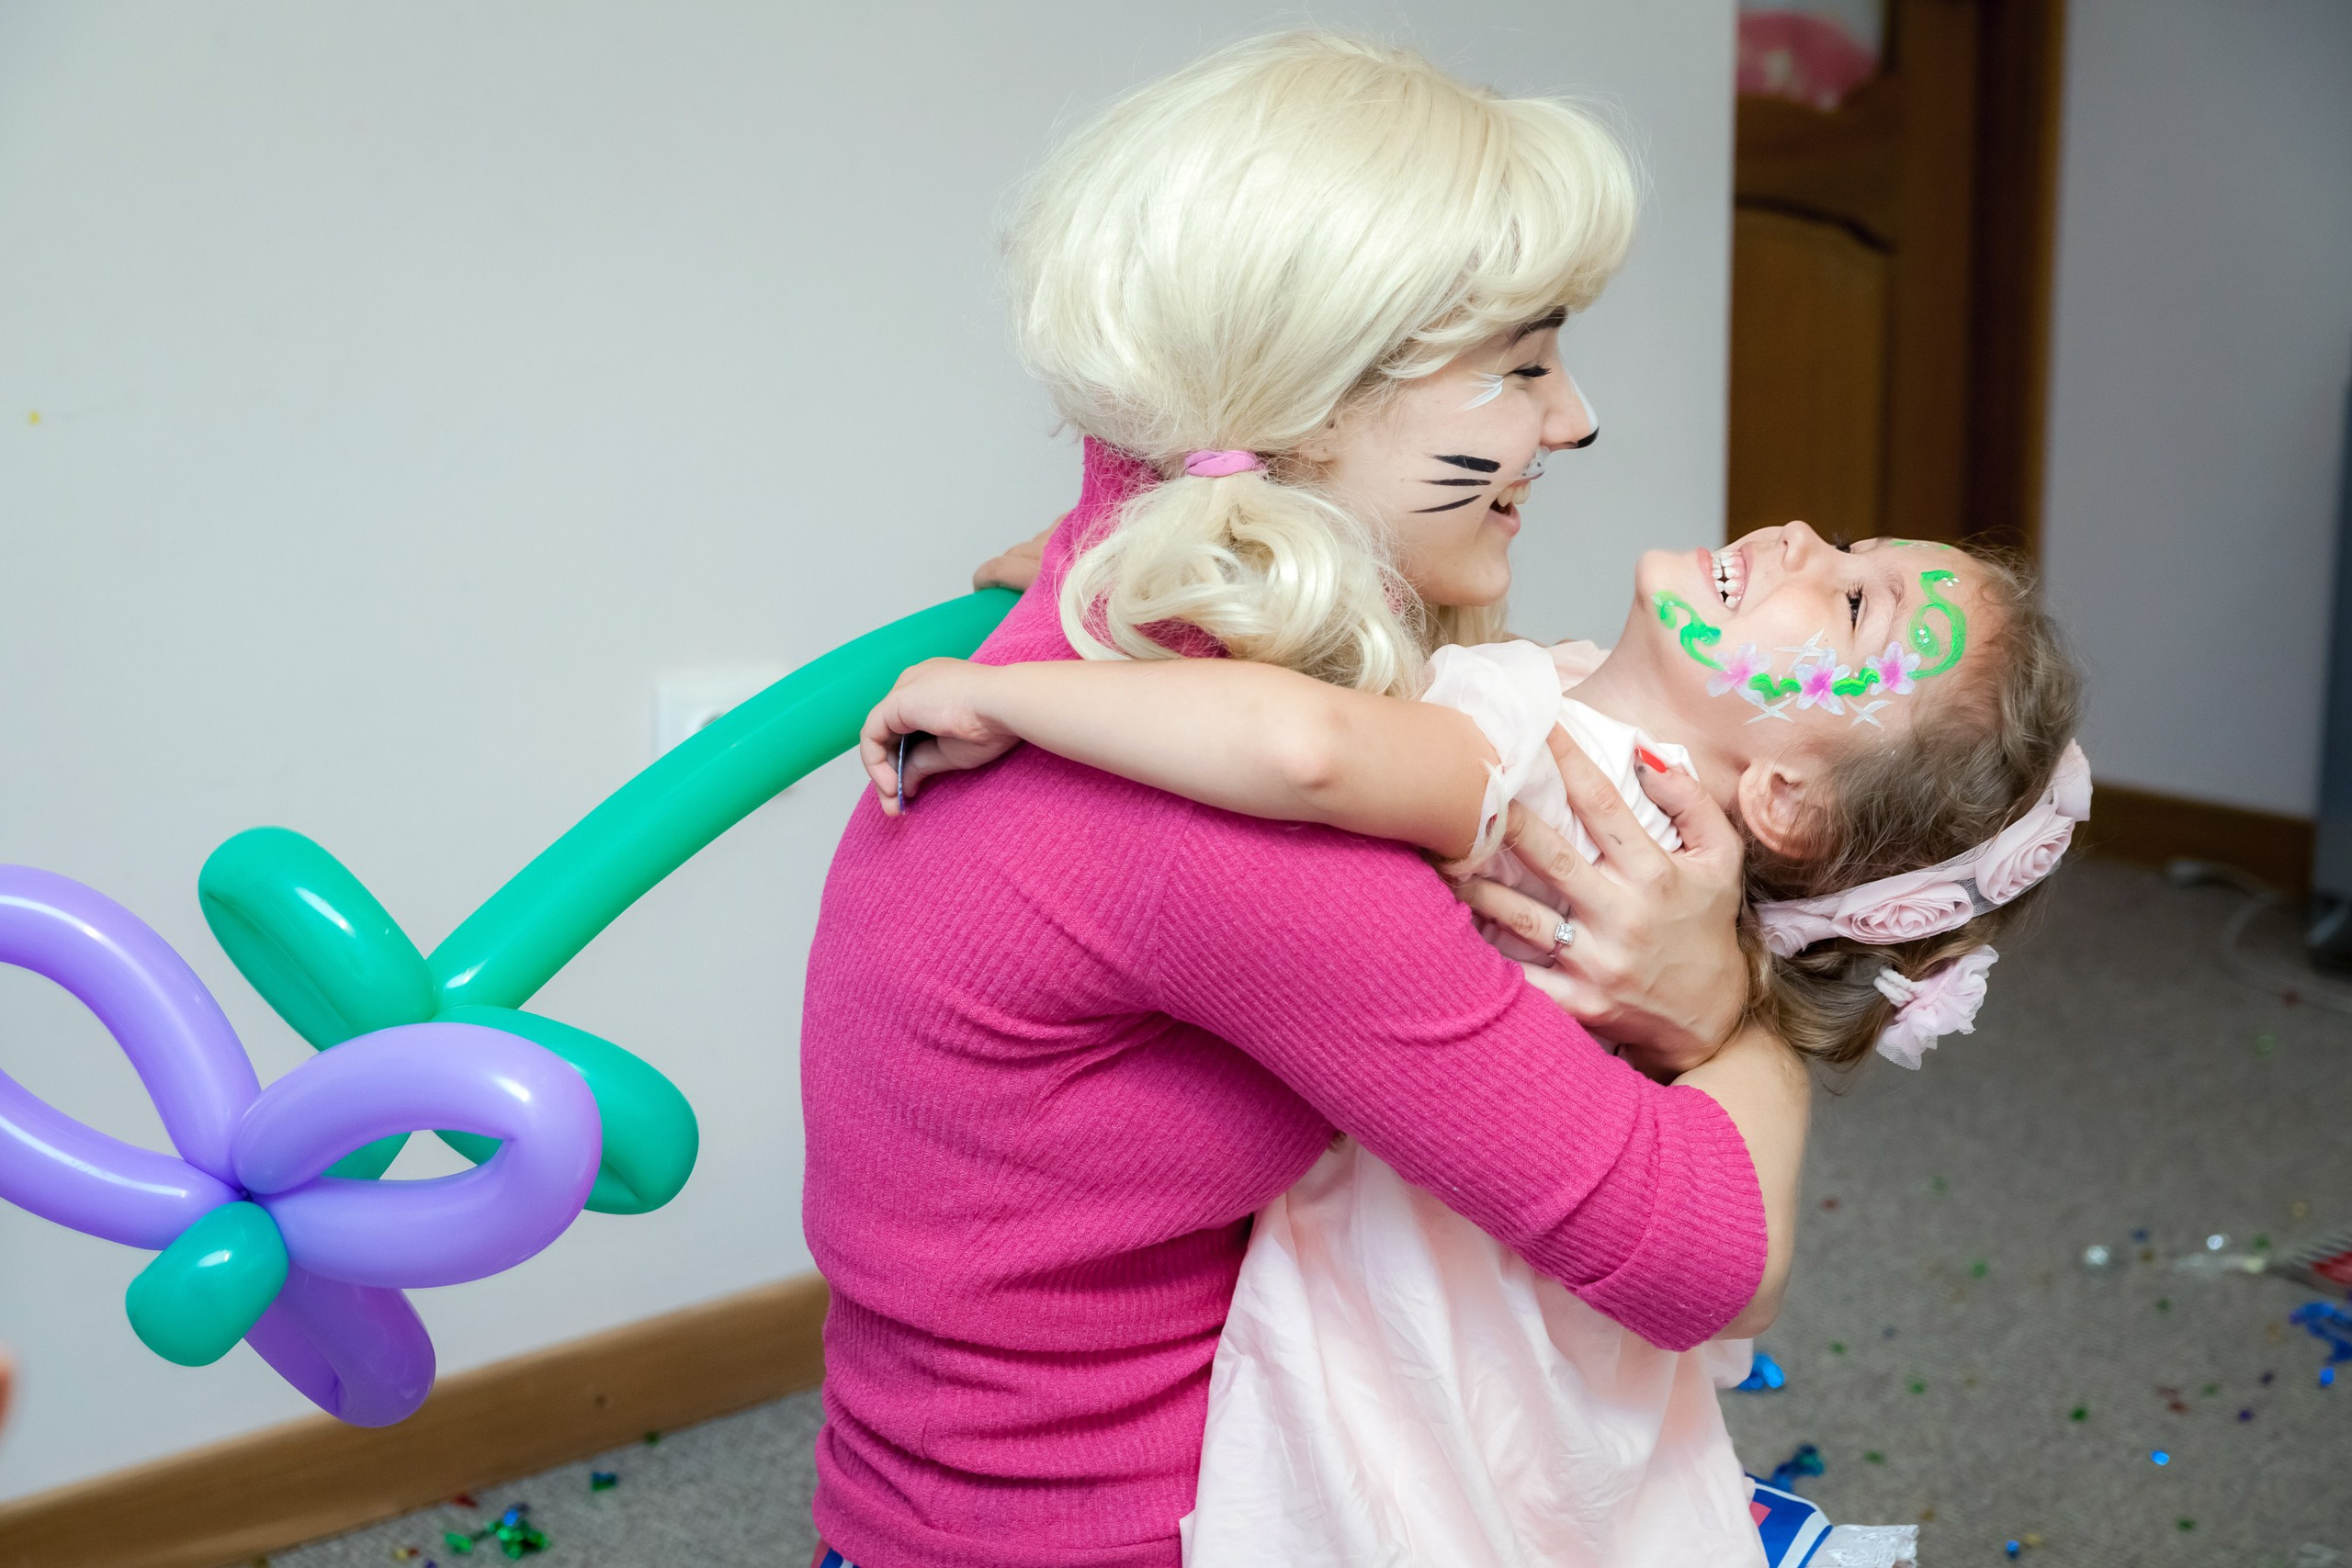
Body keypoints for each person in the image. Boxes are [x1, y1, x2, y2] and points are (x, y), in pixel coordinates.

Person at [799, 32, 1809, 1568]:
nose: (1575, 420)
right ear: (1317, 406)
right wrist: (1746, 1015)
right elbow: (1704, 1264)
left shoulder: (1117, 594)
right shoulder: (1240, 836)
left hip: (921, 1498)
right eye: (1525, 367)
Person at [864, 520, 2086, 1564]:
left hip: (1417, 1320)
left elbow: (1310, 745)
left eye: (1855, 600)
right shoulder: (1606, 778)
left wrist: (1012, 690)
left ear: (1784, 803)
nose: (1805, 543)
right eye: (1853, 544)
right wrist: (1133, 572)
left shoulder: (1535, 754)